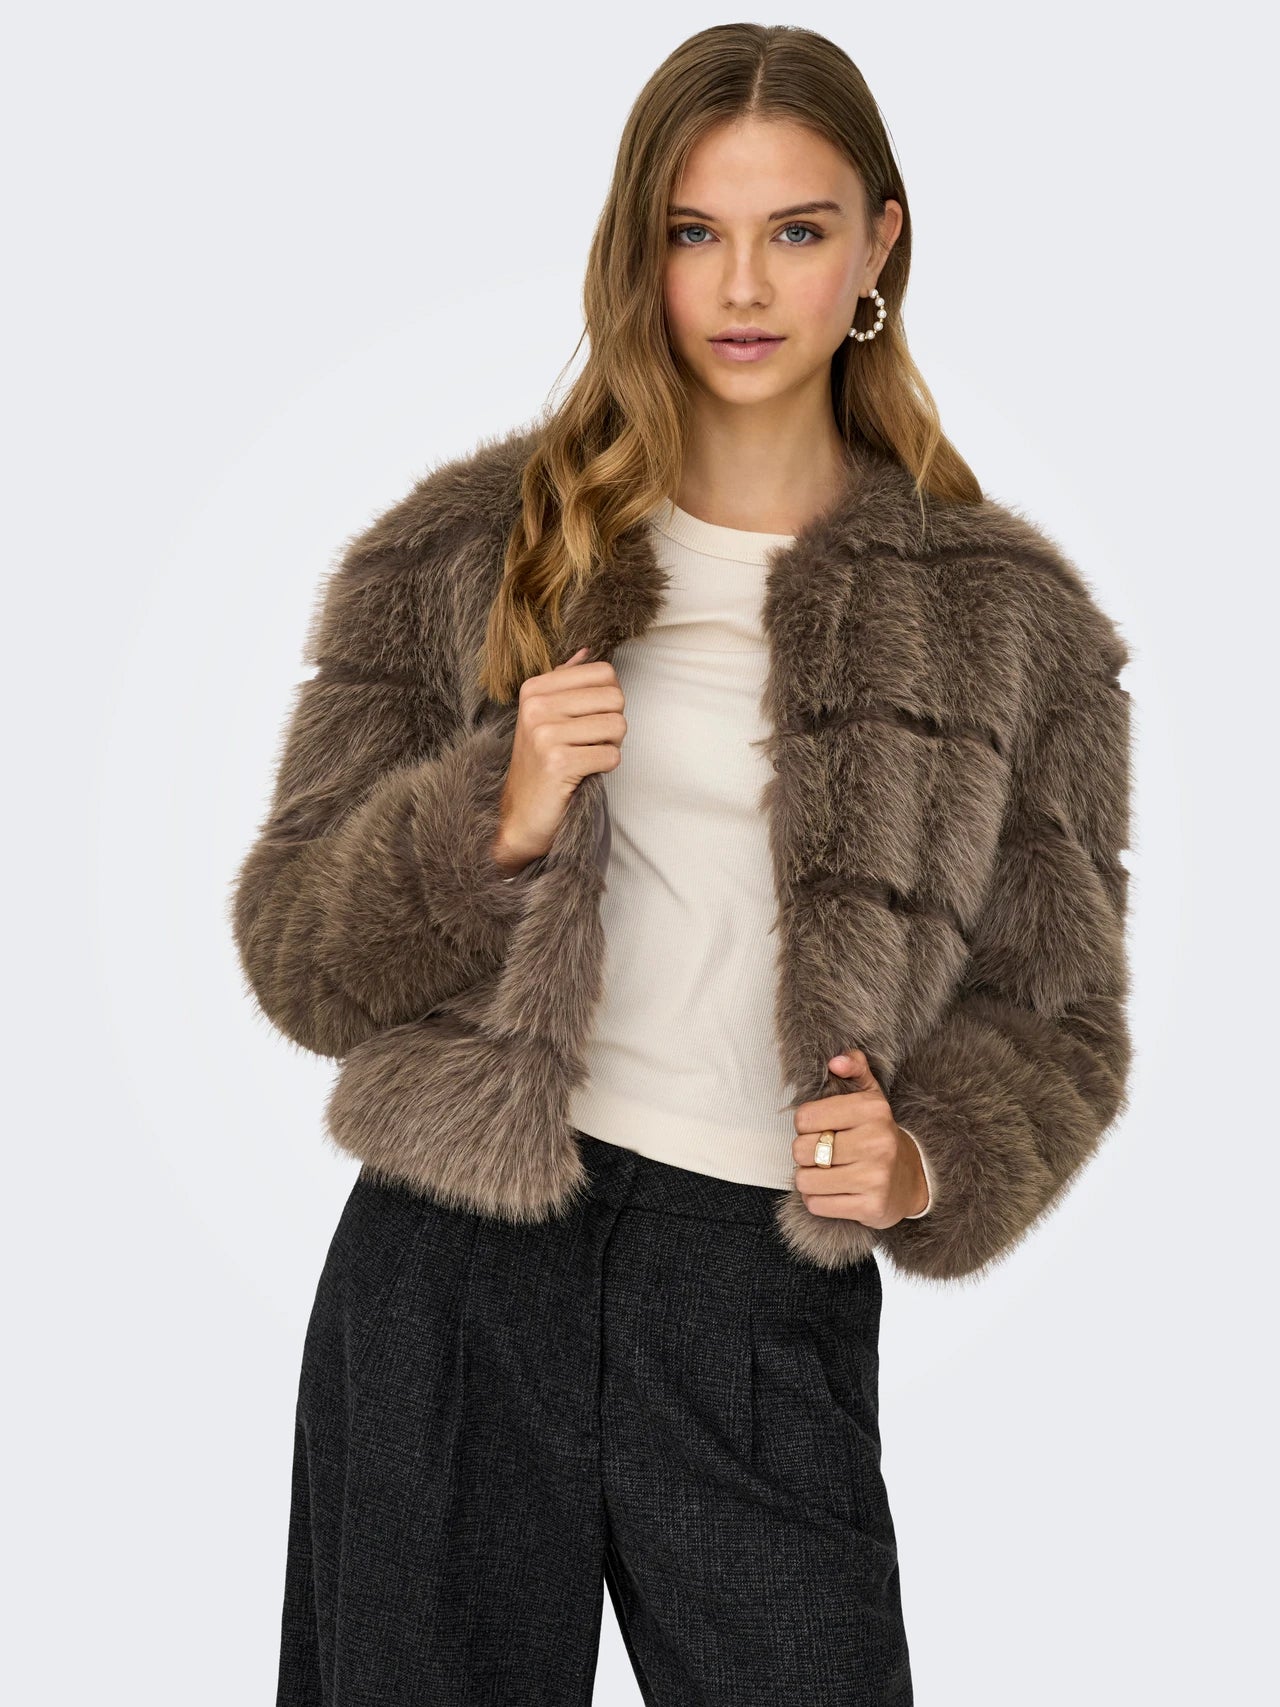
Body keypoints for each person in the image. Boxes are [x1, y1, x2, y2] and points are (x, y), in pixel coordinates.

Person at [229, 22, 1133, 1706]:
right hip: (455, 1272)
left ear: (880, 245)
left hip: (756, 1296)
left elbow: (1062, 1019)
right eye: (694, 231)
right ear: (636, 249)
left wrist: (924, 1163)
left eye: (798, 229)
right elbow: (294, 953)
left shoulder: (1011, 624)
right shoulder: (470, 548)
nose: (744, 284)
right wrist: (492, 818)